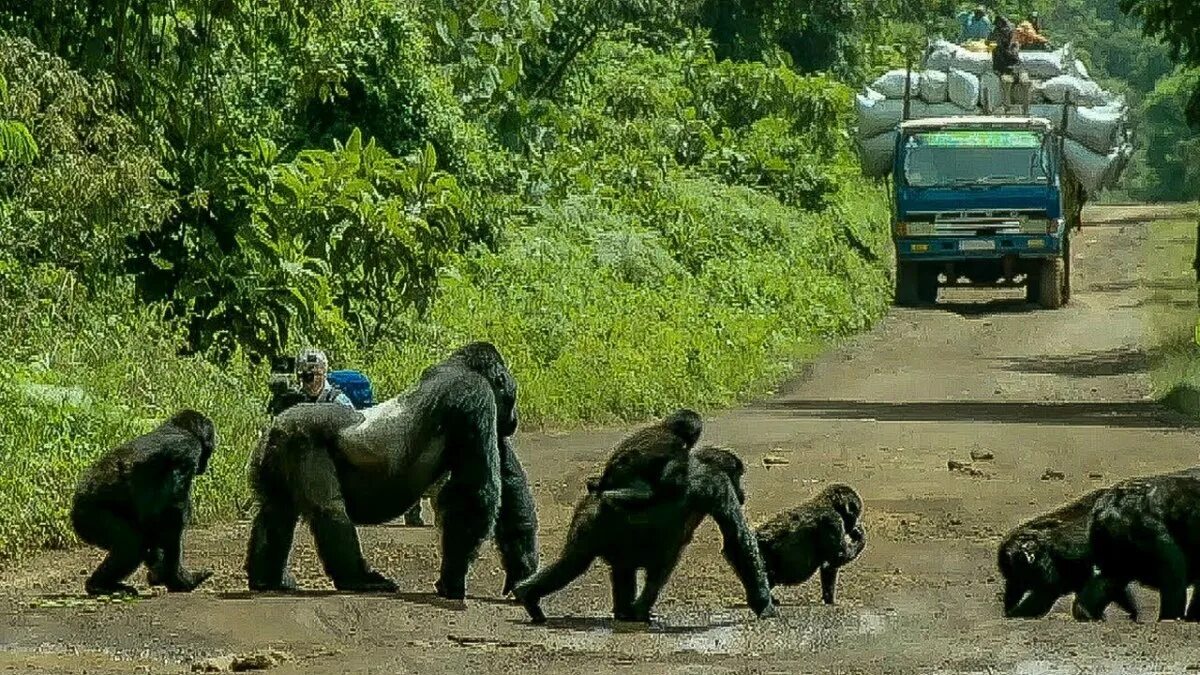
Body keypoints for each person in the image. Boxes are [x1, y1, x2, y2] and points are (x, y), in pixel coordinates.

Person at [991, 16, 1030, 115]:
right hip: (1006, 71)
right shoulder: (996, 51)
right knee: (1006, 82)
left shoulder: (1014, 45)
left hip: (1018, 69)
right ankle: (1007, 107)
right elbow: (996, 68)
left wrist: (1010, 46)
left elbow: (1014, 57)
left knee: (1026, 82)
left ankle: (1026, 109)